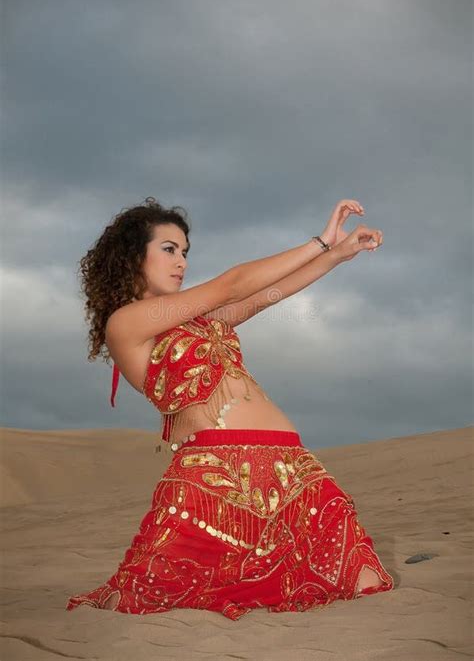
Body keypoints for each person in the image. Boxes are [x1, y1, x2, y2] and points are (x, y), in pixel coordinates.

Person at [65, 196, 394, 620]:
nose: (181, 261)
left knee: (362, 580)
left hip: (295, 471)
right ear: (133, 256)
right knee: (158, 597)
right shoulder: (126, 323)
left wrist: (338, 256)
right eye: (169, 249)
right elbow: (233, 283)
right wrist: (320, 241)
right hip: (215, 483)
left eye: (185, 252)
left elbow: (268, 293)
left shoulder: (202, 320)